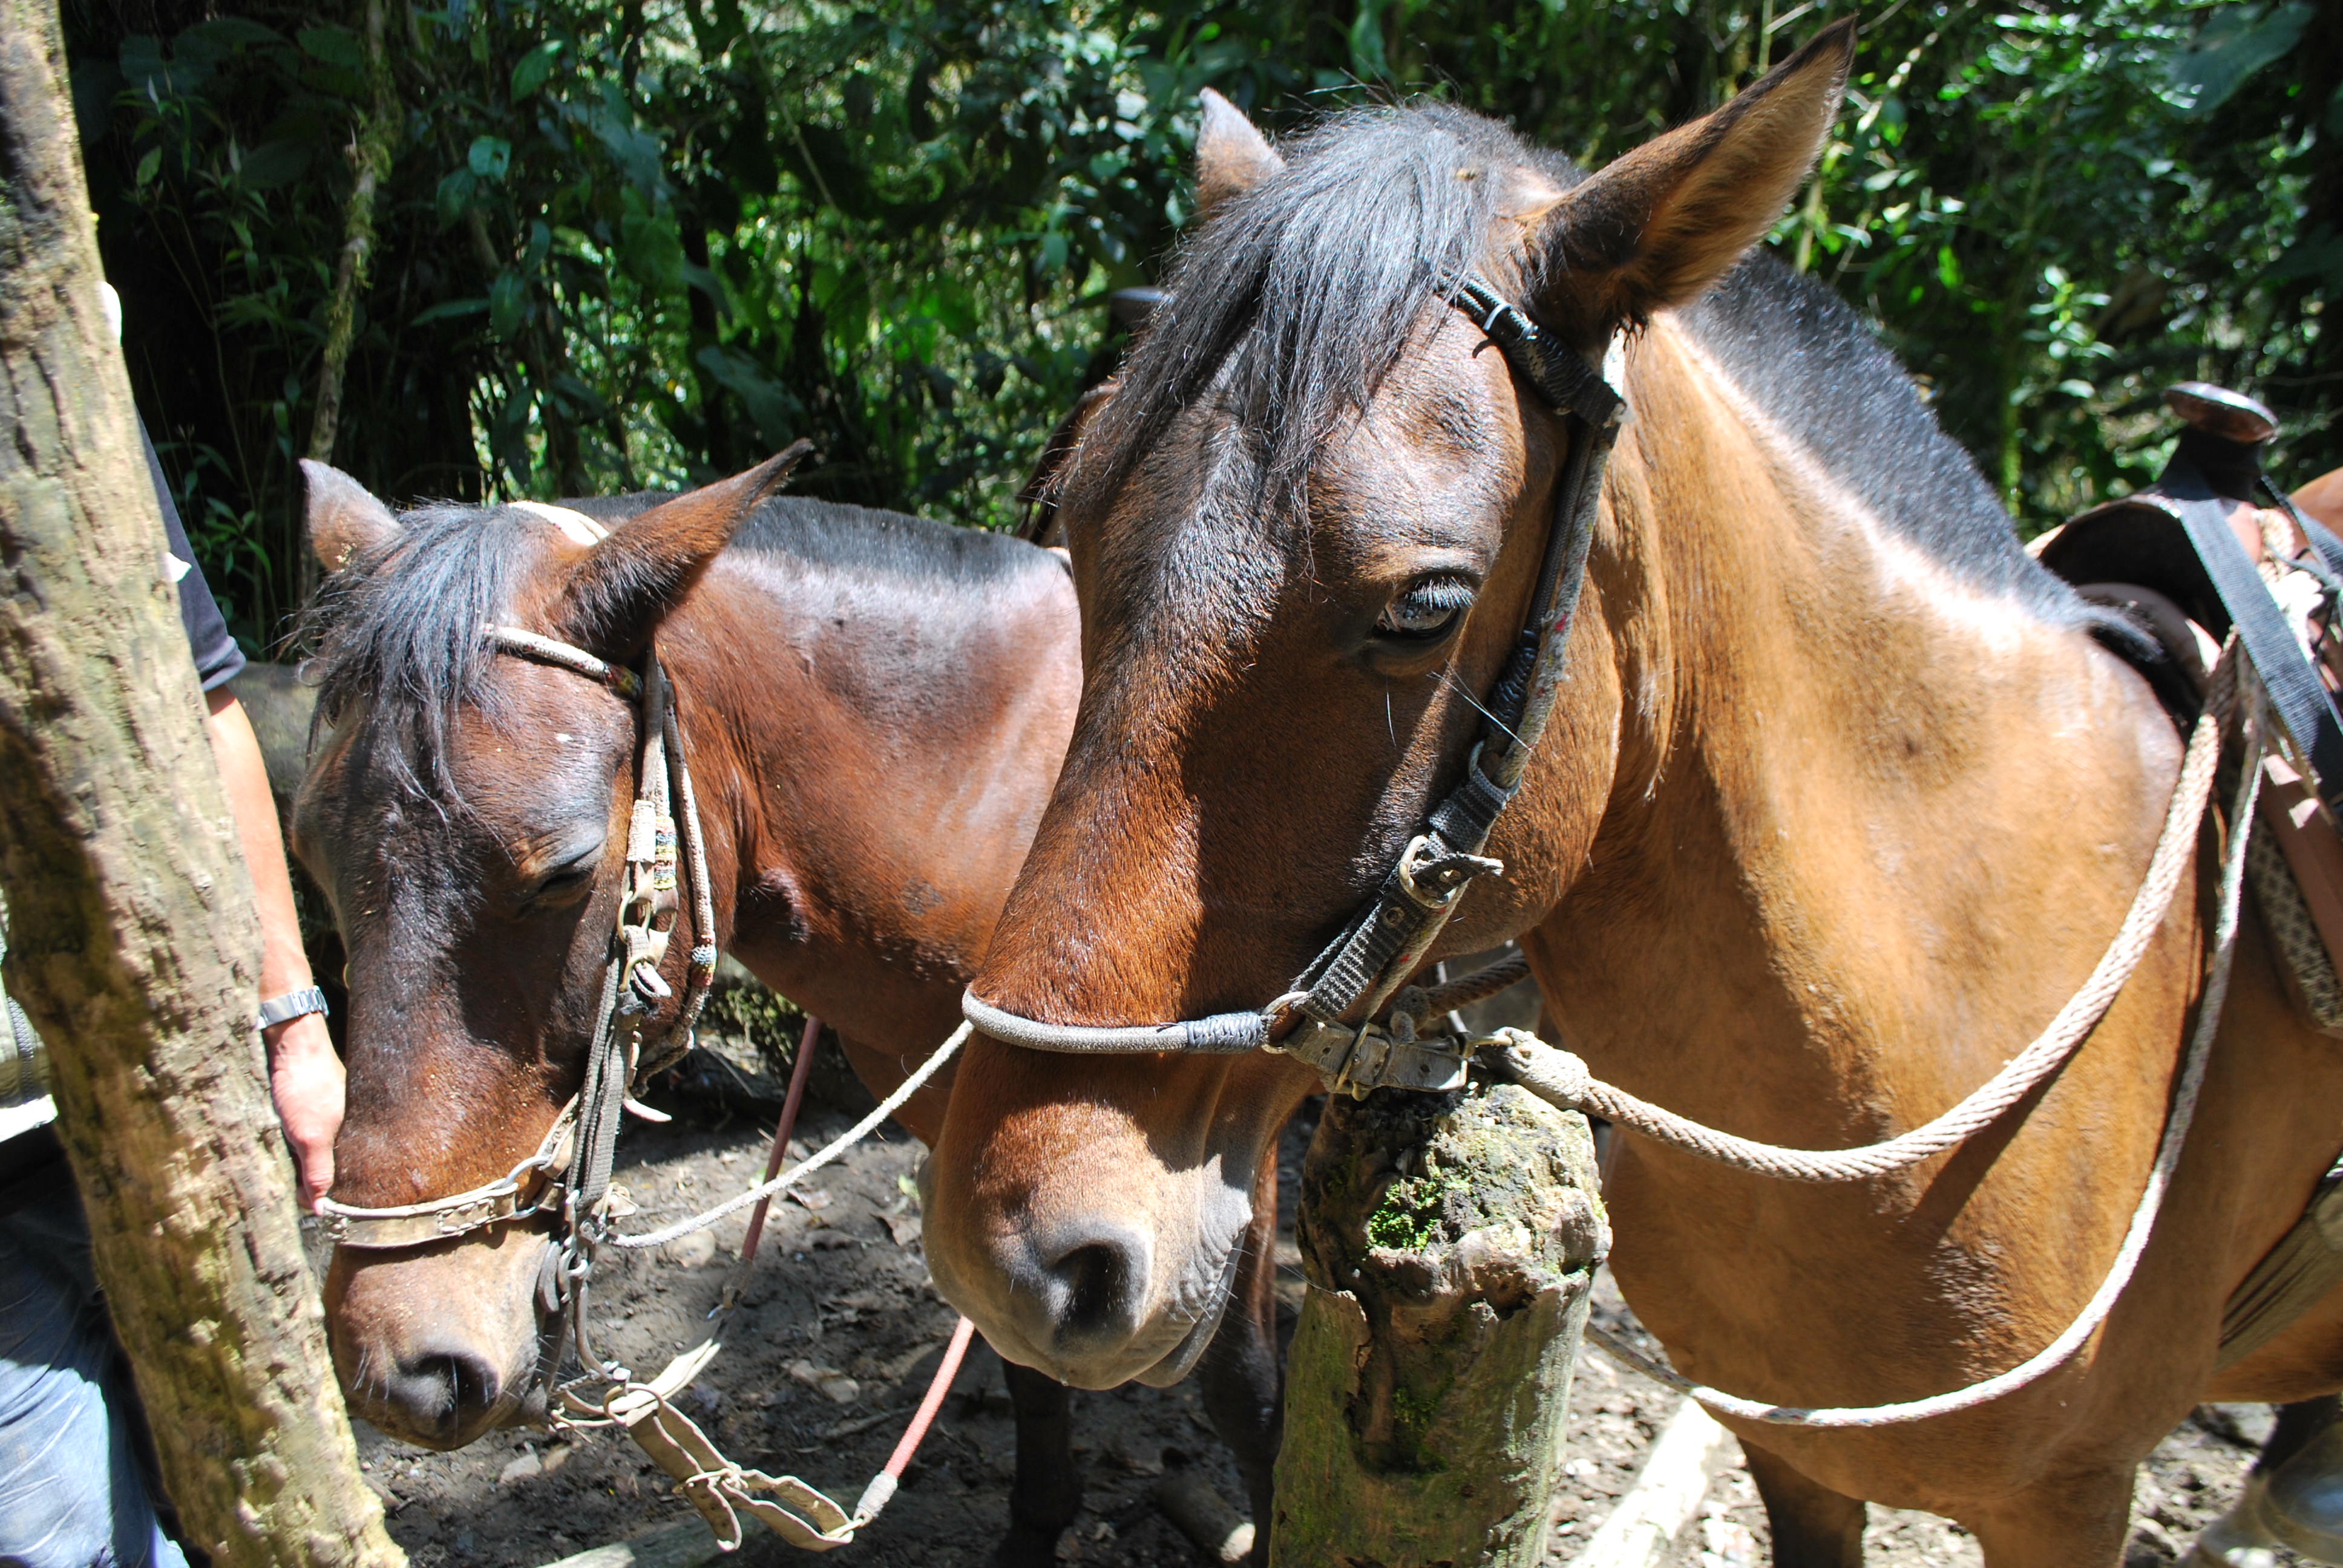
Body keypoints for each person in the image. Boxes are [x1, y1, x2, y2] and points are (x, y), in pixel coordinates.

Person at [0, 286, 344, 1568]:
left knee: (258, 1500)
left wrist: (292, 1023)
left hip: (168, 1104)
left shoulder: (48, 364)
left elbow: (205, 704)